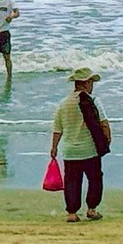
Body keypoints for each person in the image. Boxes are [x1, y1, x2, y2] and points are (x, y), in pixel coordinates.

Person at [49, 68, 108, 222]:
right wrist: (107, 141)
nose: (92, 85)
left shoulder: (63, 104)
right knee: (95, 179)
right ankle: (91, 209)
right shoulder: (93, 101)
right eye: (91, 82)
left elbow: (57, 129)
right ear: (86, 83)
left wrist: (54, 148)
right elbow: (104, 124)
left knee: (72, 181)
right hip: (90, 149)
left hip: (70, 150)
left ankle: (72, 213)